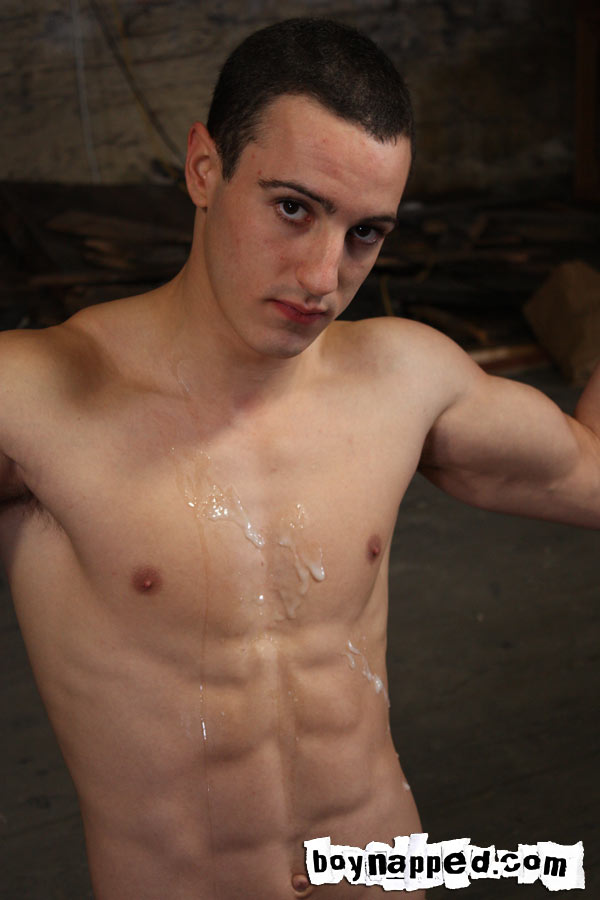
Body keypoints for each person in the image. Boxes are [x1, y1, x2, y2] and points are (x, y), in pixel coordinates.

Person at [0, 16, 598, 900]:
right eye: (293, 208)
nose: (324, 277)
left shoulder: (406, 379)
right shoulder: (35, 400)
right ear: (204, 168)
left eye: (366, 233)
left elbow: (589, 471)